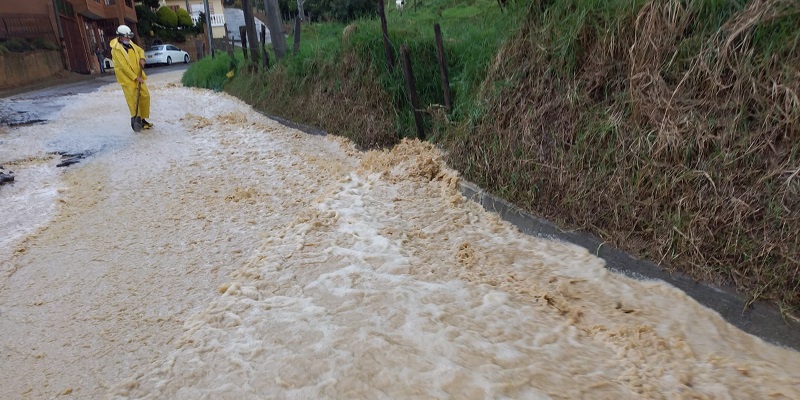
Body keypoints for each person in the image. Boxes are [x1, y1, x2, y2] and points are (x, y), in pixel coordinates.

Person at [109, 25, 152, 130]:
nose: (128, 39)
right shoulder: (116, 50)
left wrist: (142, 58)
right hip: (127, 79)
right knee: (133, 101)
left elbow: (140, 50)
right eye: (126, 37)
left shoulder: (131, 44)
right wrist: (135, 77)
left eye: (129, 37)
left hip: (138, 75)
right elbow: (124, 67)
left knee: (145, 96)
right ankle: (137, 120)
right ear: (120, 37)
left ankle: (143, 119)